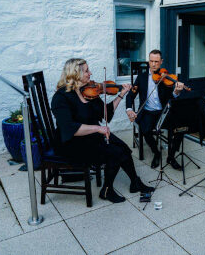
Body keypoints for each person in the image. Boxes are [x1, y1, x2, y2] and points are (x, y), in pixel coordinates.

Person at [51, 58, 154, 204]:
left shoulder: (89, 91)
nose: (90, 73)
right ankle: (107, 190)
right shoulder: (61, 97)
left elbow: (107, 113)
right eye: (86, 71)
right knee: (115, 153)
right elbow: (70, 128)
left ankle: (135, 182)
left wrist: (121, 94)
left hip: (91, 136)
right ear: (75, 73)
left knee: (123, 147)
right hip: (71, 143)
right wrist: (98, 128)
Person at [125, 49, 185, 170]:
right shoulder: (141, 77)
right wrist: (129, 109)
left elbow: (171, 97)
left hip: (163, 111)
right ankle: (156, 153)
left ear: (161, 62)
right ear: (148, 61)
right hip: (148, 111)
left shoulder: (165, 77)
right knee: (145, 130)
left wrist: (177, 91)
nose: (153, 64)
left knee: (181, 128)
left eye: (156, 62)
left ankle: (171, 156)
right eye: (151, 61)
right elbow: (131, 95)